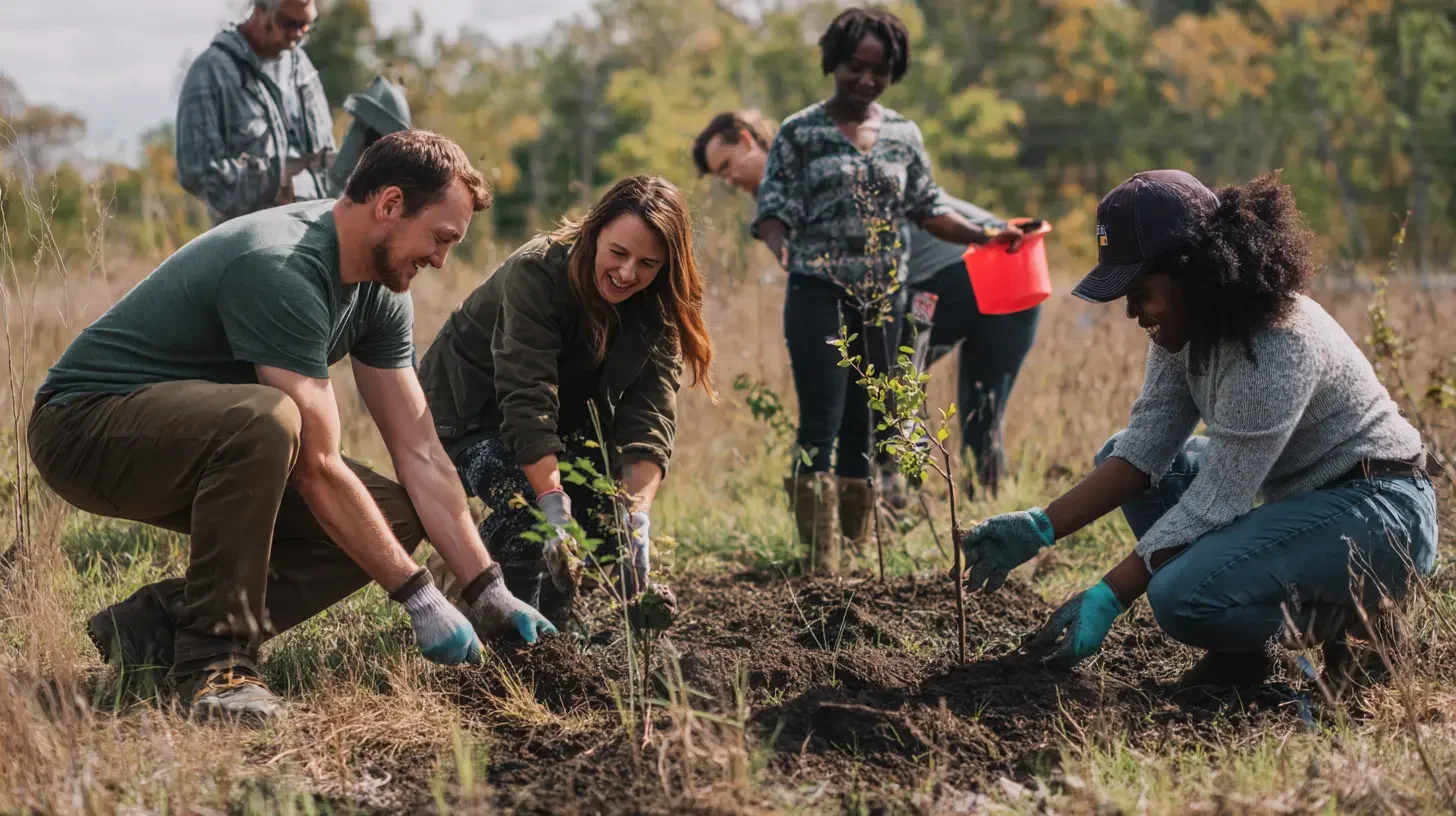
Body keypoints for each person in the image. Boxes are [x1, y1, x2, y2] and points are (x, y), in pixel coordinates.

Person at [28, 131, 556, 728]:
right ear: (389, 205)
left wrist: (487, 590)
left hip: (201, 442)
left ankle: (155, 629)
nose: (441, 260)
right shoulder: (282, 264)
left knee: (394, 517)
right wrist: (420, 598)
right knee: (271, 422)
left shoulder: (381, 292)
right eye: (440, 238)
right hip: (84, 429)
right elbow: (316, 467)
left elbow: (422, 452)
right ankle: (215, 666)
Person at [959, 170, 1439, 692]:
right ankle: (1243, 657)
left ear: (1196, 275)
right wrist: (1038, 527)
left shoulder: (1275, 345)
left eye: (1141, 293)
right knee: (1125, 458)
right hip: (1305, 504)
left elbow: (1216, 502)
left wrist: (1109, 595)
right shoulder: (1186, 329)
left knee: (1181, 597)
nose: (1132, 312)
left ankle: (1359, 623)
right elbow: (1143, 451)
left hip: (1379, 513)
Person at [747, 7, 1024, 571]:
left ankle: (856, 551)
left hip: (884, 298)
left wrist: (985, 234)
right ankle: (818, 560)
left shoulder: (903, 134)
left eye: (880, 71)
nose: (867, 80)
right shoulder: (801, 132)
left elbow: (928, 207)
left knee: (868, 419)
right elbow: (772, 206)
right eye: (856, 67)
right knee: (822, 416)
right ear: (834, 62)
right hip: (819, 291)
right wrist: (779, 242)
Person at [693, 110, 1043, 506]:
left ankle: (931, 506)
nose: (729, 180)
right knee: (897, 387)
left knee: (927, 393)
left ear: (746, 139)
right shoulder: (782, 193)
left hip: (992, 266)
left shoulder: (813, 166)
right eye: (719, 175)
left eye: (727, 166)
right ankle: (907, 503)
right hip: (960, 274)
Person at [418, 176, 713, 631]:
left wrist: (635, 520)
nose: (627, 273)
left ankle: (554, 633)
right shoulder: (538, 272)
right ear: (594, 232)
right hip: (468, 409)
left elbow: (649, 419)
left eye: (647, 263)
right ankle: (494, 617)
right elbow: (527, 397)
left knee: (604, 516)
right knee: (531, 510)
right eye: (618, 253)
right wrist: (554, 506)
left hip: (557, 418)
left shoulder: (663, 304)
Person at [176, 0, 335, 224]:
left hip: (316, 231)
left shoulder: (303, 68)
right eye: (289, 24)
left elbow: (326, 156)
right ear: (260, 13)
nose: (297, 34)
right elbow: (197, 171)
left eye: (306, 24)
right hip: (250, 238)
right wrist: (273, 186)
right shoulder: (211, 71)